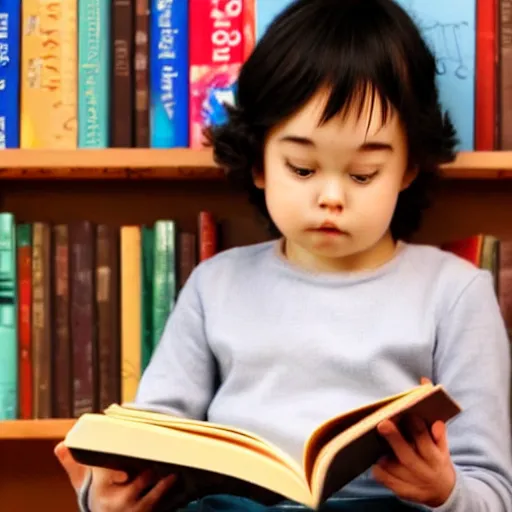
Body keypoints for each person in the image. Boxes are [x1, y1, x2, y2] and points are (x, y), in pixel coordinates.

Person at [56, 0, 512, 510]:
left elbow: (494, 492)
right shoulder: (216, 284)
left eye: (363, 175)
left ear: (409, 168)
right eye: (301, 168)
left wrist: (443, 491)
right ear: (258, 162)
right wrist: (103, 497)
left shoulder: (455, 292)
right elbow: (150, 442)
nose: (332, 197)